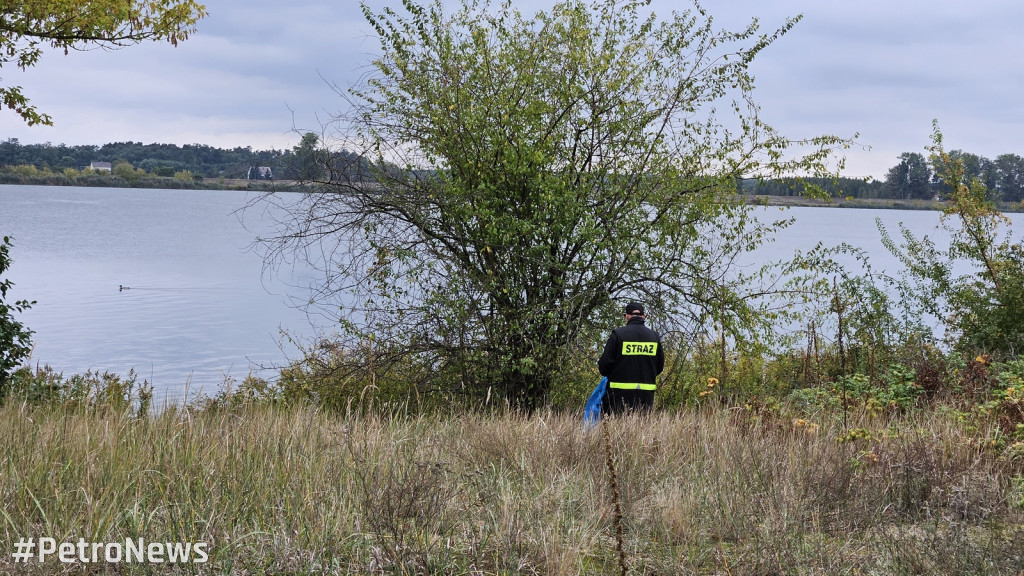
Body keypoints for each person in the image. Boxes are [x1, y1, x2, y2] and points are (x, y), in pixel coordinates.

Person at [598, 302, 665, 415]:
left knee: (616, 428)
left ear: (627, 316)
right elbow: (659, 366)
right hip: (645, 396)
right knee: (641, 429)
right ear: (644, 316)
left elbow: (604, 365)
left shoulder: (618, 334)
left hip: (618, 396)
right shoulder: (654, 337)